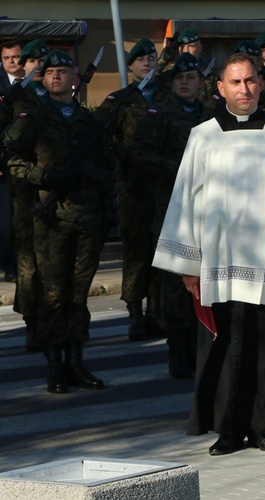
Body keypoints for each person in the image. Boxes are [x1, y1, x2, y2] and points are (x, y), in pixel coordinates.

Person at [152, 52, 265, 455]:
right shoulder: (203, 135)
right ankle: (228, 429)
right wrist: (188, 265)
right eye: (235, 82)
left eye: (250, 81)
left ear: (260, 85)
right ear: (220, 88)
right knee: (226, 346)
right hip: (219, 263)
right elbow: (185, 202)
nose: (244, 90)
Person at [3, 49, 116, 394]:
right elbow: (9, 157)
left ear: (74, 77)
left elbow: (108, 169)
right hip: (50, 221)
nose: (55, 76)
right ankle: (54, 365)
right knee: (53, 294)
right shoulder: (32, 118)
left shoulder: (89, 121)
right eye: (49, 71)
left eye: (62, 71)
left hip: (87, 219)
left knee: (78, 295)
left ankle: (75, 361)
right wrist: (44, 176)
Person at [131, 53, 213, 379]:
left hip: (206, 210)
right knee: (175, 283)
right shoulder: (159, 113)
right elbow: (139, 152)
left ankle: (198, 348)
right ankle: (176, 352)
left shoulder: (211, 116)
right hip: (172, 210)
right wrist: (173, 169)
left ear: (200, 82)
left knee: (203, 282)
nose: (184, 82)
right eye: (179, 77)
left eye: (190, 77)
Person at [97, 38, 167, 341]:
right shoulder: (121, 100)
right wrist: (124, 155)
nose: (147, 63)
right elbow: (97, 136)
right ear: (131, 67)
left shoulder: (167, 98)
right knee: (137, 254)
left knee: (162, 254)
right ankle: (135, 314)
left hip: (166, 188)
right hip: (134, 189)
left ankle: (156, 312)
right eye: (140, 59)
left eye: (151, 58)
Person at [3, 39, 50, 353]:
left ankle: (57, 324)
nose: (38, 66)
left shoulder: (59, 98)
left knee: (55, 263)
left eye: (41, 61)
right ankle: (32, 324)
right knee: (28, 264)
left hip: (58, 194)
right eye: (31, 61)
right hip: (25, 192)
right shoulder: (15, 98)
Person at [0, 40, 24, 284]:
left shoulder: (32, 84)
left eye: (16, 56)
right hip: (4, 163)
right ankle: (8, 264)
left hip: (28, 163)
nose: (12, 62)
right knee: (6, 220)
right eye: (7, 58)